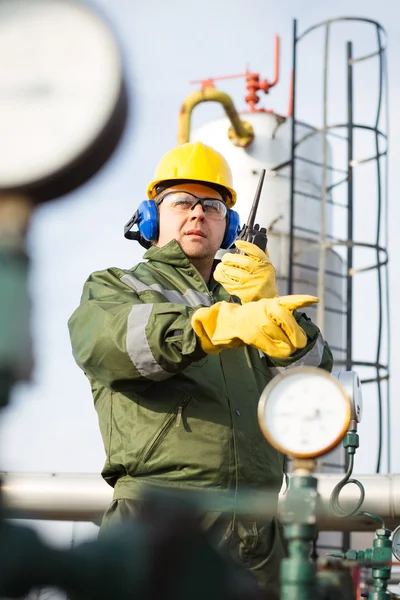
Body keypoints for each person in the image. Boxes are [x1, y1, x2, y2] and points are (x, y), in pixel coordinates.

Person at [68, 141, 333, 598]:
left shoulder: (251, 303)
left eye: (211, 205)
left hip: (259, 536)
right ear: (151, 218)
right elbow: (109, 342)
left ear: (227, 224)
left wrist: (272, 311)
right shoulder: (116, 286)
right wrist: (216, 323)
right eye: (182, 202)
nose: (197, 214)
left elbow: (317, 385)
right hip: (158, 521)